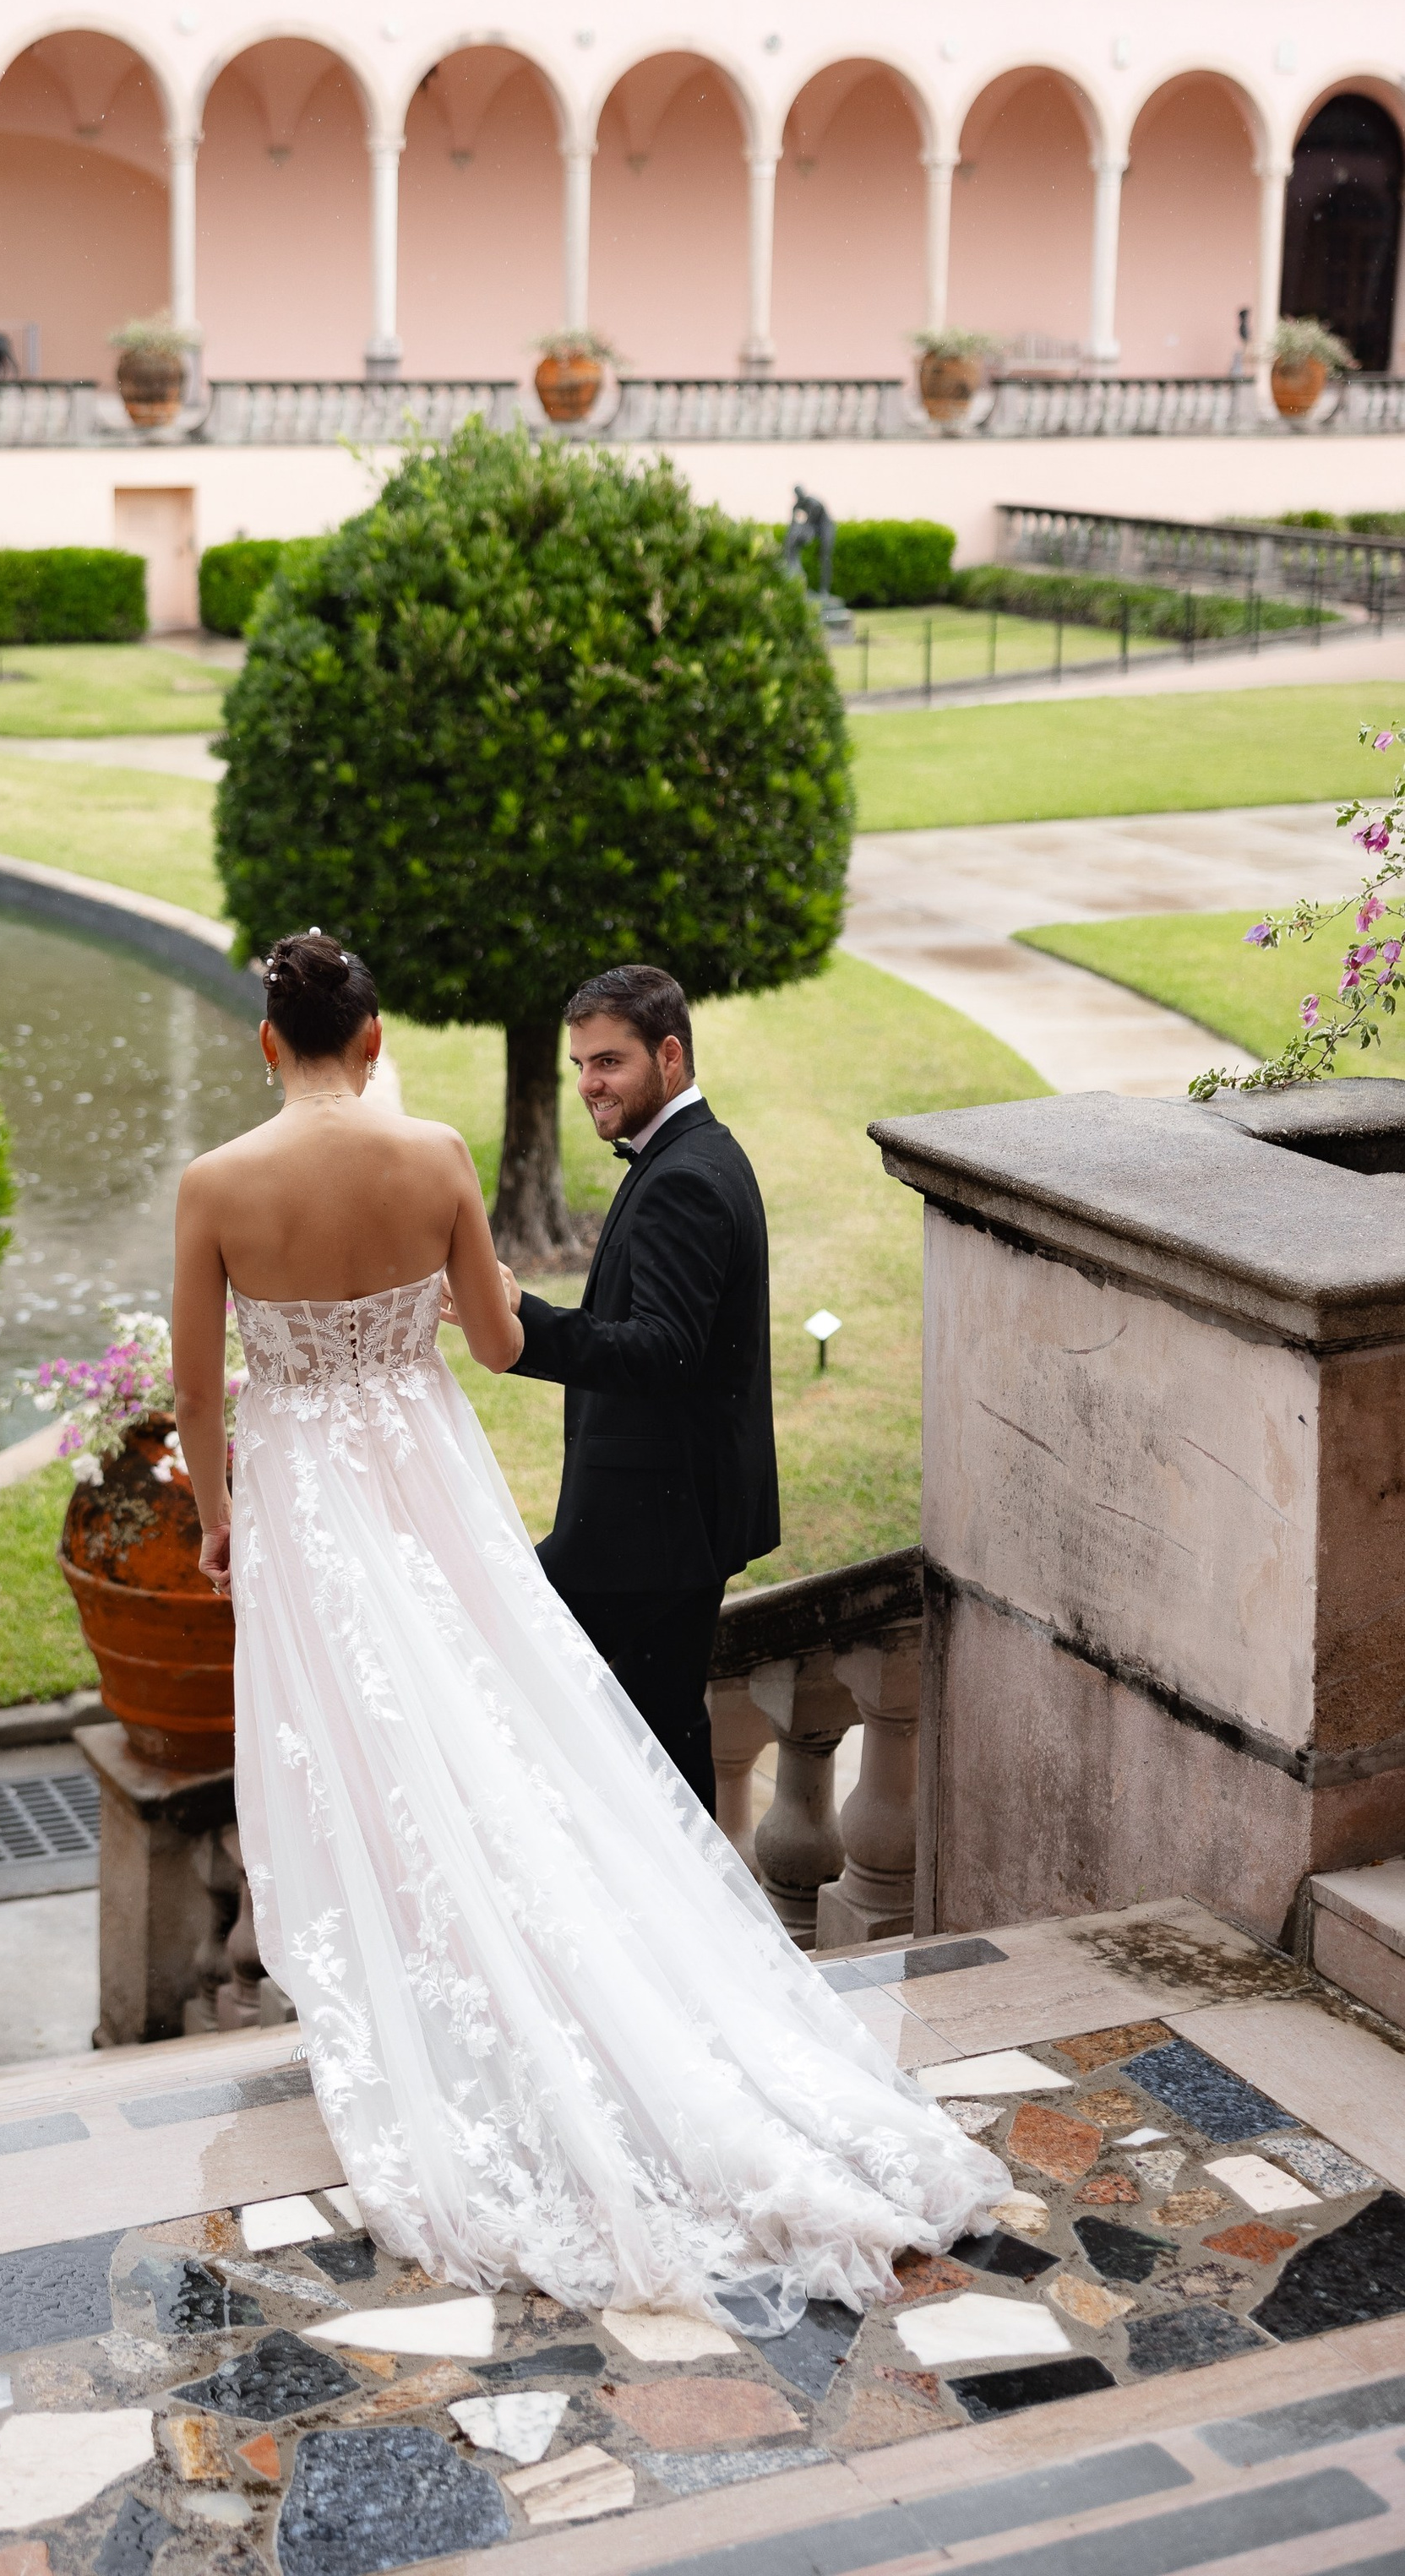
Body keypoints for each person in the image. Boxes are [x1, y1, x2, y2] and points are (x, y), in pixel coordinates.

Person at [172, 931, 999, 2323]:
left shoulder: (216, 1185)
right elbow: (496, 1344)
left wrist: (215, 1513)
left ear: (271, 1041)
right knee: (504, 1723)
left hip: (306, 1498)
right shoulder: (433, 1158)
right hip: (428, 1480)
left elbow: (202, 1391)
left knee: (350, 1743)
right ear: (373, 1038)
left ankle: (411, 2000)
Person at [508, 963, 772, 1818]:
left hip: (645, 1529)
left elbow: (663, 1351)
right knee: (664, 1735)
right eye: (580, 1063)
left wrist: (520, 1321)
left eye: (609, 1062)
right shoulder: (693, 1153)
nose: (588, 1083)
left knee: (506, 1665)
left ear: (669, 1053)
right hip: (668, 1519)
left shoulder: (685, 1179)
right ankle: (699, 1926)